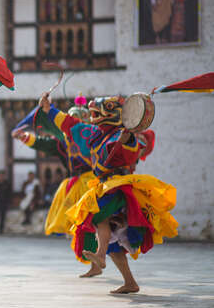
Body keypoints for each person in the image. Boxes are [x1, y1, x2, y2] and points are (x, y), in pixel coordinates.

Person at [38, 92, 178, 293]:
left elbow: (131, 152)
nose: (94, 110)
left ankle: (100, 255)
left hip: (117, 186)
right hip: (102, 184)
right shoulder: (94, 133)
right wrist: (48, 110)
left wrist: (127, 138)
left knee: (97, 216)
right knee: (114, 245)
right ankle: (129, 281)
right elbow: (69, 123)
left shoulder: (124, 135)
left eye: (102, 109)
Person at [12, 94, 101, 278]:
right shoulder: (64, 142)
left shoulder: (91, 135)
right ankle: (95, 262)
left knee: (95, 223)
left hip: (93, 183)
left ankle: (99, 259)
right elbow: (45, 144)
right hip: (76, 185)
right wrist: (25, 136)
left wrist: (48, 110)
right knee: (84, 225)